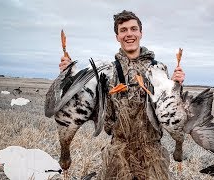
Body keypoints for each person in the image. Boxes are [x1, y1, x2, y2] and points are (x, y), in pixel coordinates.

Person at [59, 10, 185, 180]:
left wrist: (176, 85)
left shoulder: (158, 69)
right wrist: (70, 77)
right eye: (123, 30)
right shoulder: (107, 71)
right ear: (117, 37)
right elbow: (86, 102)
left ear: (141, 33)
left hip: (153, 156)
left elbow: (168, 109)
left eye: (133, 29)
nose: (129, 34)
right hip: (118, 154)